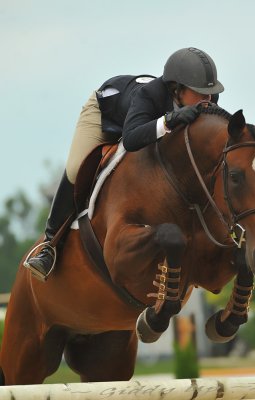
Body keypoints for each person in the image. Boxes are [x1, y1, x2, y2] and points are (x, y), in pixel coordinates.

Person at [24, 47, 224, 281]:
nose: (207, 99)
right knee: (77, 168)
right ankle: (50, 245)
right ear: (176, 89)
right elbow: (130, 139)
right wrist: (169, 120)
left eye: (210, 93)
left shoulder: (207, 99)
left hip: (139, 120)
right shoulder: (149, 96)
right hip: (104, 117)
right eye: (200, 93)